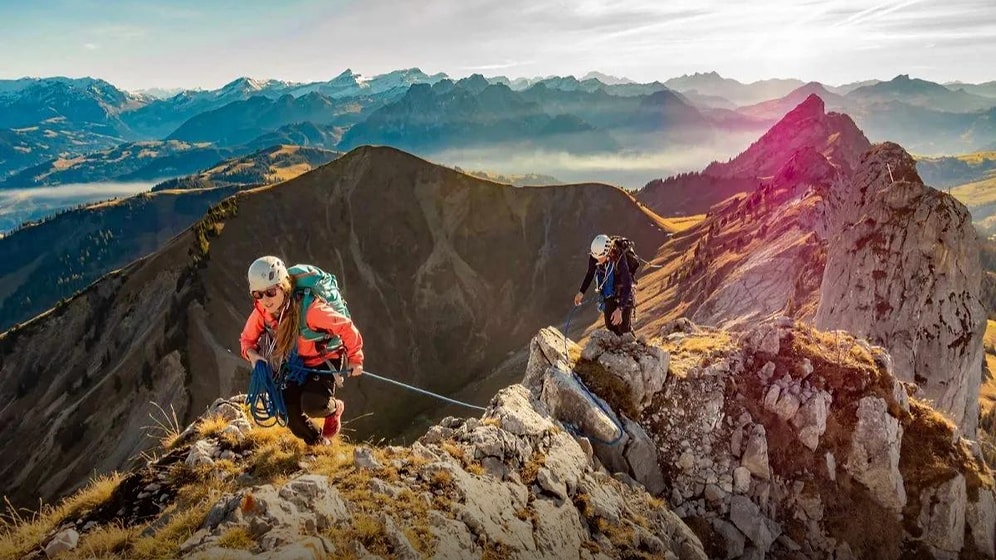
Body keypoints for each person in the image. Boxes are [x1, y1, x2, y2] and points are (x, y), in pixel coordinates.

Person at [240, 256, 364, 445]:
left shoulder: (311, 310)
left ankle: (333, 409)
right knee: (288, 412)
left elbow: (345, 327)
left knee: (313, 404)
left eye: (271, 292)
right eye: (258, 294)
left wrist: (355, 358)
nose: (265, 300)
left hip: (324, 359)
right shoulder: (262, 312)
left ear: (283, 286)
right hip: (295, 364)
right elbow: (247, 340)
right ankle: (319, 444)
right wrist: (254, 357)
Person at [574, 234, 634, 336]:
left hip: (623, 289)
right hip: (609, 290)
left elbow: (627, 285)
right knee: (610, 325)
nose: (598, 260)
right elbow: (590, 273)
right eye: (596, 257)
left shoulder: (619, 258)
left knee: (623, 327)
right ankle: (618, 348)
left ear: (608, 252)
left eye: (600, 257)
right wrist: (581, 292)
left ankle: (633, 345)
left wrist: (620, 309)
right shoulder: (595, 255)